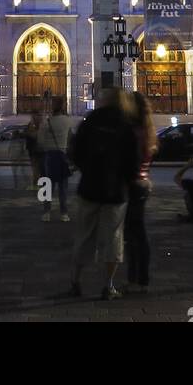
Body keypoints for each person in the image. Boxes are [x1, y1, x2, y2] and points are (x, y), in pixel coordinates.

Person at [68, 88, 139, 300]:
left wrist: (88, 170)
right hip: (115, 192)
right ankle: (108, 286)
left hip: (89, 188)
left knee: (83, 236)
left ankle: (76, 282)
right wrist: (126, 181)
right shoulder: (126, 125)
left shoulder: (90, 121)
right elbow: (132, 162)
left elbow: (76, 151)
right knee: (113, 239)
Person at [123, 92, 158, 291]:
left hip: (133, 185)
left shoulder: (134, 130)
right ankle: (140, 278)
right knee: (139, 233)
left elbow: (131, 160)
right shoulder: (148, 128)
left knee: (132, 234)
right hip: (143, 184)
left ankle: (134, 279)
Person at [37, 102, 76, 221]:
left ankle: (46, 213)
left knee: (47, 186)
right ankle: (64, 214)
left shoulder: (46, 123)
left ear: (51, 109)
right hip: (62, 155)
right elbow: (72, 137)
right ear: (63, 108)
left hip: (49, 156)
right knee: (63, 187)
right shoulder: (68, 121)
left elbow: (40, 141)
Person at [24, 110, 43, 190]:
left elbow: (32, 136)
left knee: (37, 168)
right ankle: (37, 183)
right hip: (34, 150)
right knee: (36, 168)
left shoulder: (41, 126)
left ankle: (38, 183)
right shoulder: (32, 126)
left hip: (38, 150)